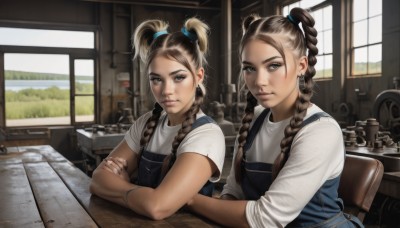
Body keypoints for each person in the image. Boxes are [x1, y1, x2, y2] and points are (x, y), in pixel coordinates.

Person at [186, 7, 364, 227]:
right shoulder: (256, 119)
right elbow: (233, 191)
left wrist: (190, 199)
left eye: (274, 65)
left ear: (301, 66)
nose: (259, 81)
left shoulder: (321, 131)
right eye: (249, 68)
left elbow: (265, 218)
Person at [89, 17, 225, 220]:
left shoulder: (207, 134)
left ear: (198, 76)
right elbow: (98, 179)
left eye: (178, 77)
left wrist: (123, 185)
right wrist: (140, 196)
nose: (167, 90)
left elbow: (157, 207)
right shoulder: (145, 124)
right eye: (156, 79)